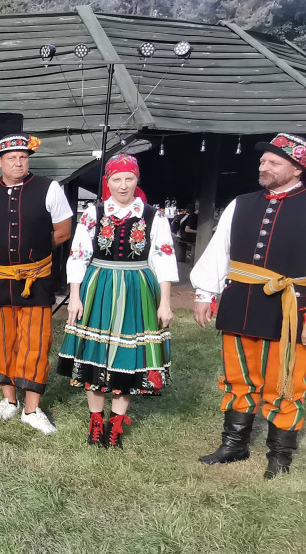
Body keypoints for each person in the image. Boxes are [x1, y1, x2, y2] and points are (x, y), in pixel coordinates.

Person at [191, 133, 306, 479]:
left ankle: (280, 455)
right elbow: (219, 249)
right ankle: (234, 445)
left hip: (293, 307)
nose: (264, 166)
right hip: (241, 301)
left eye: (273, 162)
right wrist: (204, 292)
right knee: (238, 375)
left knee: (286, 379)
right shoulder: (241, 203)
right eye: (262, 161)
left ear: (298, 167)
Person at [57, 154, 177, 448]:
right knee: (95, 355)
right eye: (116, 179)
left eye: (129, 179)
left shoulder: (153, 216)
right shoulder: (93, 214)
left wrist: (165, 302)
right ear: (107, 182)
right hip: (99, 287)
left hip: (137, 289)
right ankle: (95, 421)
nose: (123, 186)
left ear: (137, 180)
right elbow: (78, 256)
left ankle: (116, 423)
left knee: (127, 356)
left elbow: (164, 259)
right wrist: (74, 298)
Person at [0, 133, 72, 435]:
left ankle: (32, 408)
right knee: (2, 341)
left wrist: (33, 254)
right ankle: (9, 402)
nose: (18, 162)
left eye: (23, 157)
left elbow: (63, 231)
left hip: (35, 279)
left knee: (36, 342)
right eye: (11, 158)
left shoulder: (48, 188)